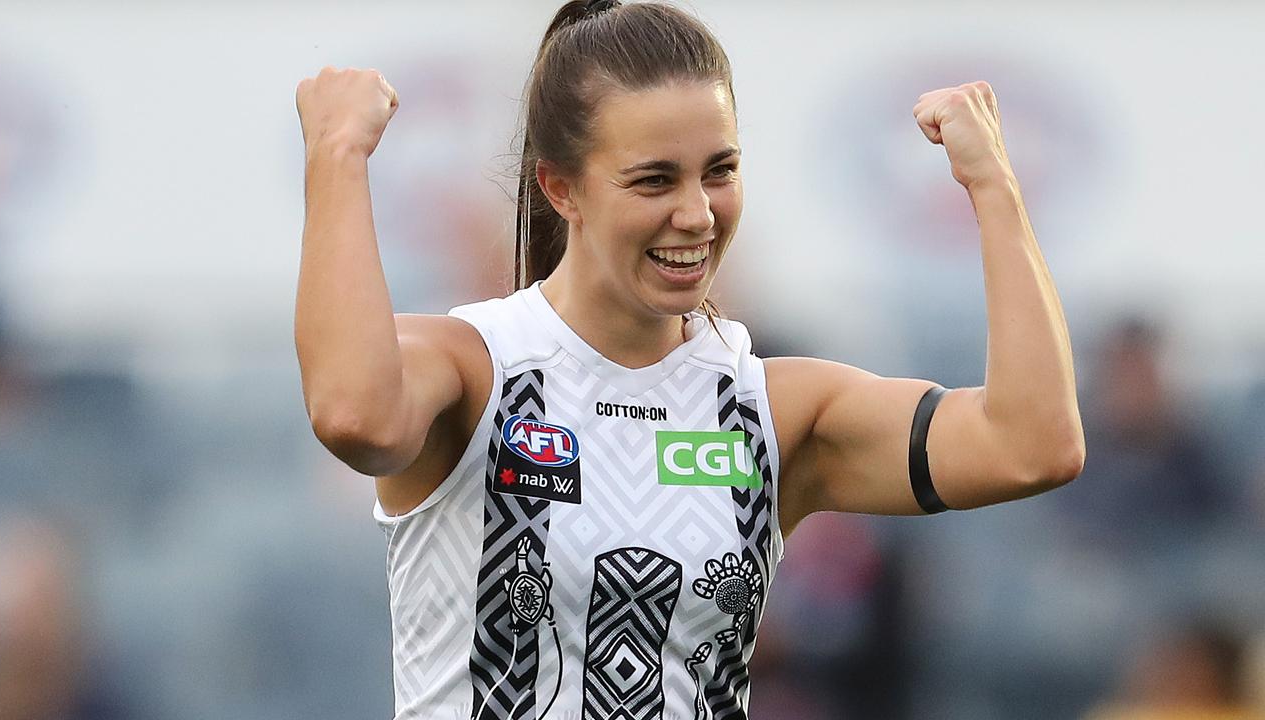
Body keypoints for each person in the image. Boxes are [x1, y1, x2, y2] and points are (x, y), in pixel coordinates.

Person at [292, 2, 1085, 718]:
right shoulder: (473, 367)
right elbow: (353, 414)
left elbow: (1031, 446)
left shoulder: (774, 408)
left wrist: (993, 186)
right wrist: (338, 155)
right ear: (560, 188)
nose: (698, 213)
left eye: (721, 170)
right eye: (654, 180)